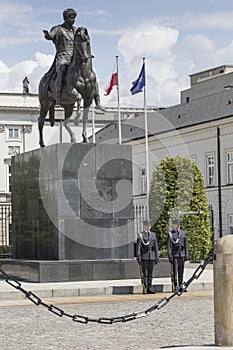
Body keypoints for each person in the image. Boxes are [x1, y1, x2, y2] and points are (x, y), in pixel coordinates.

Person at [43, 8, 104, 110]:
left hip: (76, 57)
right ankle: (58, 98)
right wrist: (48, 35)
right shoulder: (58, 29)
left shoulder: (76, 31)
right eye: (71, 18)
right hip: (62, 57)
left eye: (74, 18)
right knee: (62, 70)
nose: (73, 20)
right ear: (65, 18)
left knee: (91, 74)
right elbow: (51, 35)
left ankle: (97, 101)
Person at [136, 220, 159, 294]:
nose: (148, 227)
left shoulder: (153, 235)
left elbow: (156, 247)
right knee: (145, 273)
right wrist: (138, 256)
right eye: (146, 226)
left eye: (149, 226)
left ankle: (149, 287)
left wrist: (156, 256)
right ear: (144, 226)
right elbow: (138, 247)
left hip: (151, 255)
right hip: (144, 256)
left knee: (150, 273)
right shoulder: (141, 235)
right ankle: (145, 287)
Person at [167, 219, 188, 291]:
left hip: (181, 254)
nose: (176, 226)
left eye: (177, 225)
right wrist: (170, 254)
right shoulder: (171, 234)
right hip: (175, 254)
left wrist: (186, 254)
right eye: (175, 225)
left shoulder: (183, 233)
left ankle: (180, 285)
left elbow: (185, 244)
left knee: (181, 270)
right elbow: (169, 245)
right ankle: (176, 285)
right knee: (175, 270)